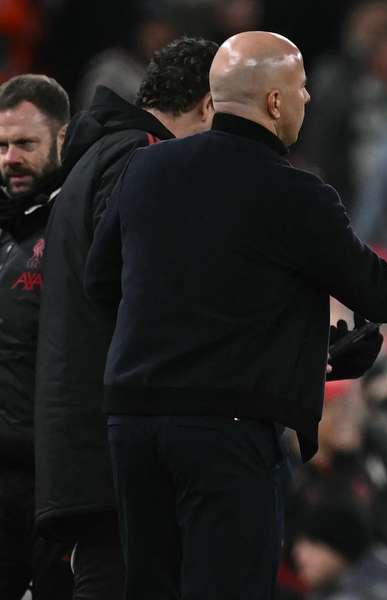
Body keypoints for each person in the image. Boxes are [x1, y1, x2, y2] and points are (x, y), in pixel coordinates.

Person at [82, 31, 387, 600]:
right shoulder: (296, 194)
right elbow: (382, 294)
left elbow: (100, 281)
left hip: (132, 424)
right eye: (302, 89)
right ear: (275, 102)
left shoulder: (144, 170)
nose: (308, 100)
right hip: (226, 433)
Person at [34, 37, 218, 599]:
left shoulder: (102, 155)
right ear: (210, 105)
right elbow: (140, 287)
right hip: (116, 444)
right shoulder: (142, 156)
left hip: (88, 439)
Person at [0, 74, 73, 600]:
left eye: (24, 143)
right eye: (1, 146)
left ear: (61, 140)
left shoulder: (79, 228)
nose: (10, 158)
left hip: (48, 482)